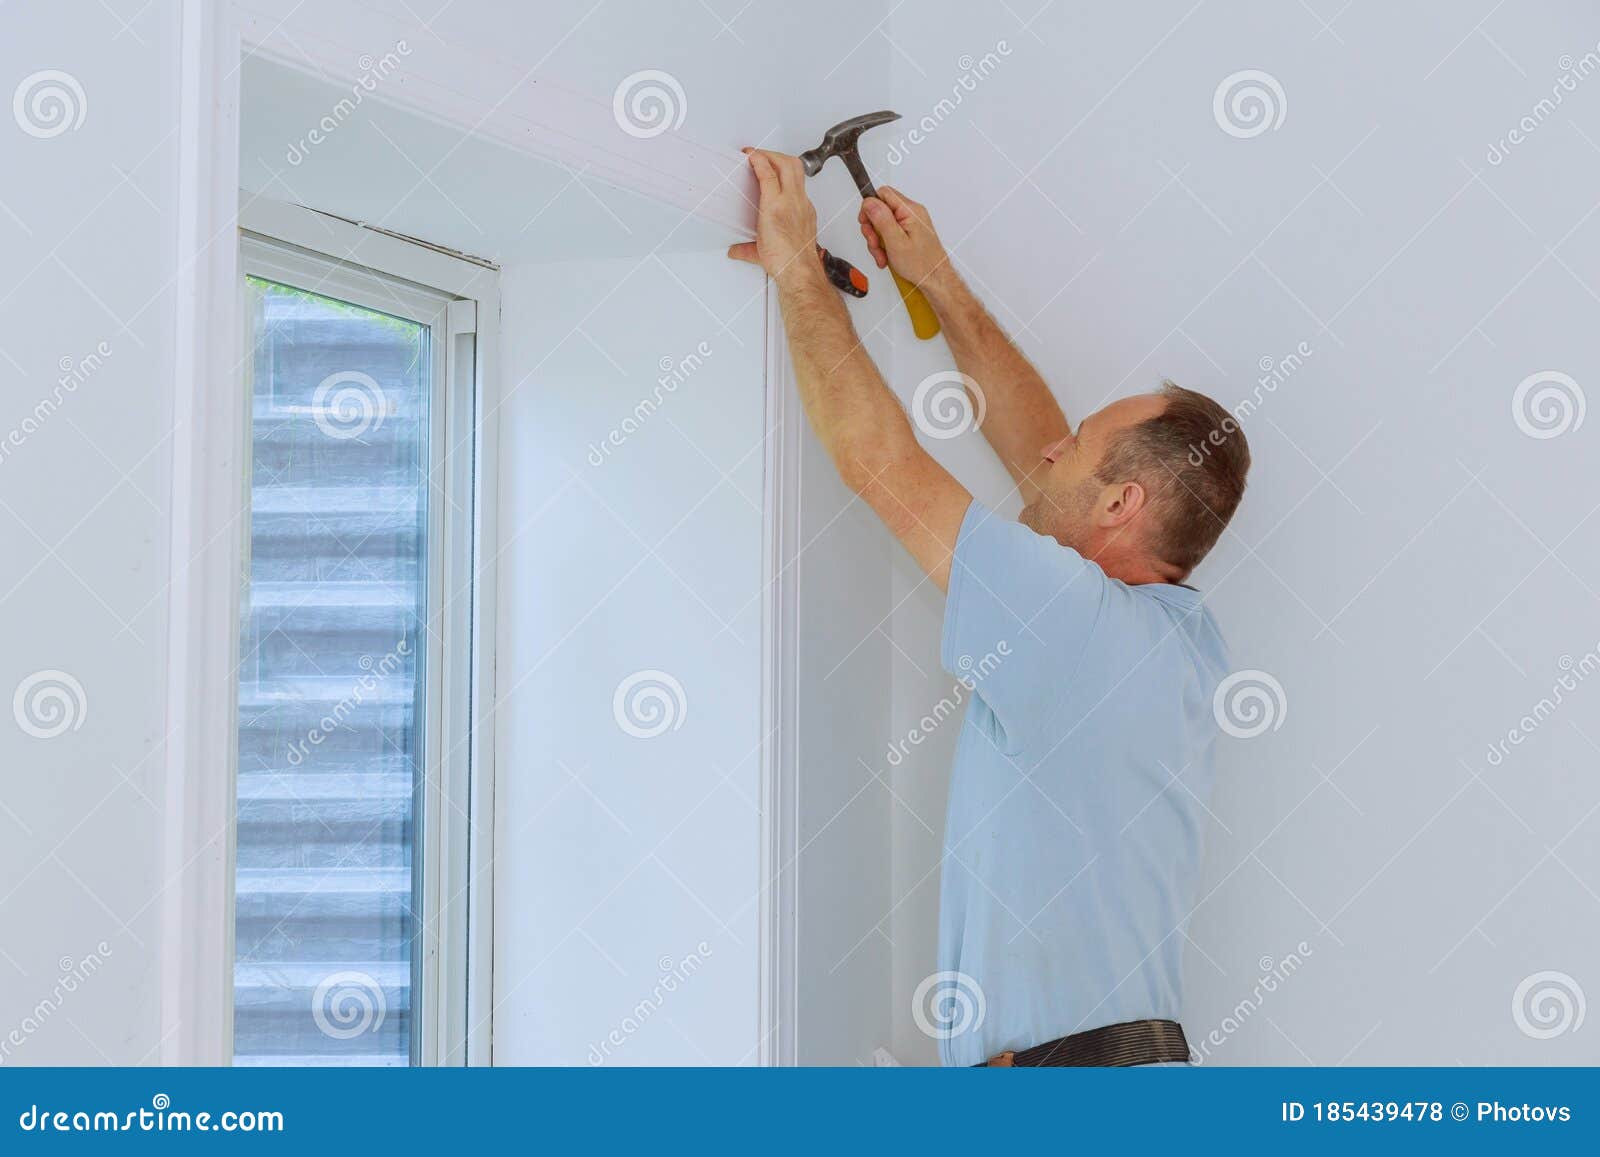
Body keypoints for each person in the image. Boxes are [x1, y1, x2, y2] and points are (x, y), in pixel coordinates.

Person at [728, 147, 1252, 1067]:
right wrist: (934, 278)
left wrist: (796, 274)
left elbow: (881, 466)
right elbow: (1037, 444)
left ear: (1122, 507)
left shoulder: (1075, 626)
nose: (1050, 453)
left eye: (1079, 447)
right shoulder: (1179, 635)